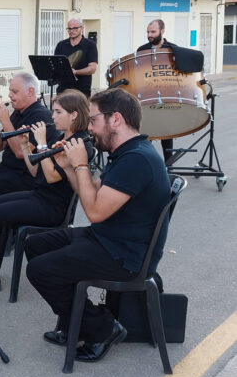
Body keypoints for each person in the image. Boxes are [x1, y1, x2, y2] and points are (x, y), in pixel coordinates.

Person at [25, 88, 170, 363]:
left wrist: (81, 165)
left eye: (93, 121)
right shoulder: (126, 152)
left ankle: (103, 329)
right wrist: (69, 166)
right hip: (108, 238)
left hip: (124, 255)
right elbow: (90, 194)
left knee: (40, 271)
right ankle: (74, 324)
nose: (89, 128)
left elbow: (93, 212)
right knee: (36, 245)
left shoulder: (136, 160)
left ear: (115, 119)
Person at [0, 90, 93, 292]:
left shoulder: (79, 143)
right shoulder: (62, 136)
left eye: (58, 112)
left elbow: (52, 176)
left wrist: (42, 143)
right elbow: (36, 171)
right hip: (39, 194)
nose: (52, 117)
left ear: (74, 115)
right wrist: (26, 145)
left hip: (53, 206)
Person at [0, 71, 59, 204]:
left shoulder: (40, 116)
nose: (10, 95)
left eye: (14, 92)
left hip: (21, 176)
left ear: (30, 92)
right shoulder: (18, 111)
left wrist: (5, 121)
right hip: (4, 169)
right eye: (10, 91)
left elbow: (21, 153)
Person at [138, 19, 174, 163]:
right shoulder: (142, 50)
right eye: (148, 32)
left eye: (153, 32)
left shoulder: (172, 49)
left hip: (166, 98)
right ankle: (146, 165)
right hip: (148, 97)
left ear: (162, 31)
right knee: (147, 133)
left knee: (167, 133)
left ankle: (169, 167)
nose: (149, 35)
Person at [54, 17, 98, 98]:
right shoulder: (61, 45)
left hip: (82, 92)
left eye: (75, 28)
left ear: (82, 28)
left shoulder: (90, 45)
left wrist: (76, 72)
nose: (71, 31)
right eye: (69, 29)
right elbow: (56, 65)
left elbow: (93, 68)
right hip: (63, 91)